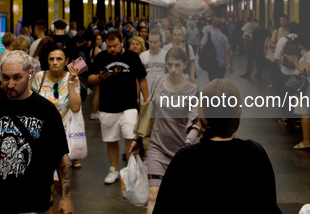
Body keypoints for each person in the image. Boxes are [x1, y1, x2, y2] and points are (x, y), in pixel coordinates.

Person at [153, 78, 281, 213]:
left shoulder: (185, 158)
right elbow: (269, 207)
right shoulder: (254, 154)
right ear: (237, 113)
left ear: (203, 114)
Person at [0, 51, 73, 214]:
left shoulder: (46, 110)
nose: (10, 84)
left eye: (17, 78)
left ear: (30, 74)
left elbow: (61, 155)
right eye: (5, 78)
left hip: (34, 204)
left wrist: (66, 198)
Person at [130, 48, 199, 213]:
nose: (173, 69)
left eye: (177, 65)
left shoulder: (192, 90)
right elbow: (148, 113)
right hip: (157, 147)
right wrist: (138, 138)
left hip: (182, 149)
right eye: (170, 65)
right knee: (153, 194)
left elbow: (196, 123)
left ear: (185, 65)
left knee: (179, 197)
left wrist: (188, 144)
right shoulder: (158, 83)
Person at [87, 31, 148, 184]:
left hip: (129, 106)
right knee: (111, 140)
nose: (112, 49)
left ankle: (131, 171)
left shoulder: (132, 57)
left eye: (115, 46)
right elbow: (90, 79)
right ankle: (113, 169)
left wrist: (146, 101)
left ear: (122, 42)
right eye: (109, 46)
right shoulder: (101, 57)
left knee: (130, 138)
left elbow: (142, 80)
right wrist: (99, 77)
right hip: (107, 106)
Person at [33, 43, 82, 168]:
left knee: (61, 175)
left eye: (59, 59)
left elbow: (75, 107)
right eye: (51, 59)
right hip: (41, 133)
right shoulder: (39, 77)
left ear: (66, 61)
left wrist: (70, 81)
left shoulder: (72, 78)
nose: (55, 62)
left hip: (63, 133)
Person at [287, 30, 310, 149]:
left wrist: (295, 63)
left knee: (304, 112)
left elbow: (306, 71)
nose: (299, 46)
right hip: (309, 84)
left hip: (306, 85)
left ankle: (306, 141)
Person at [139, 30, 168, 94]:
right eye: (150, 42)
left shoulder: (166, 54)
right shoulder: (143, 56)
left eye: (155, 42)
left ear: (161, 42)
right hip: (146, 94)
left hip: (162, 93)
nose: (152, 45)